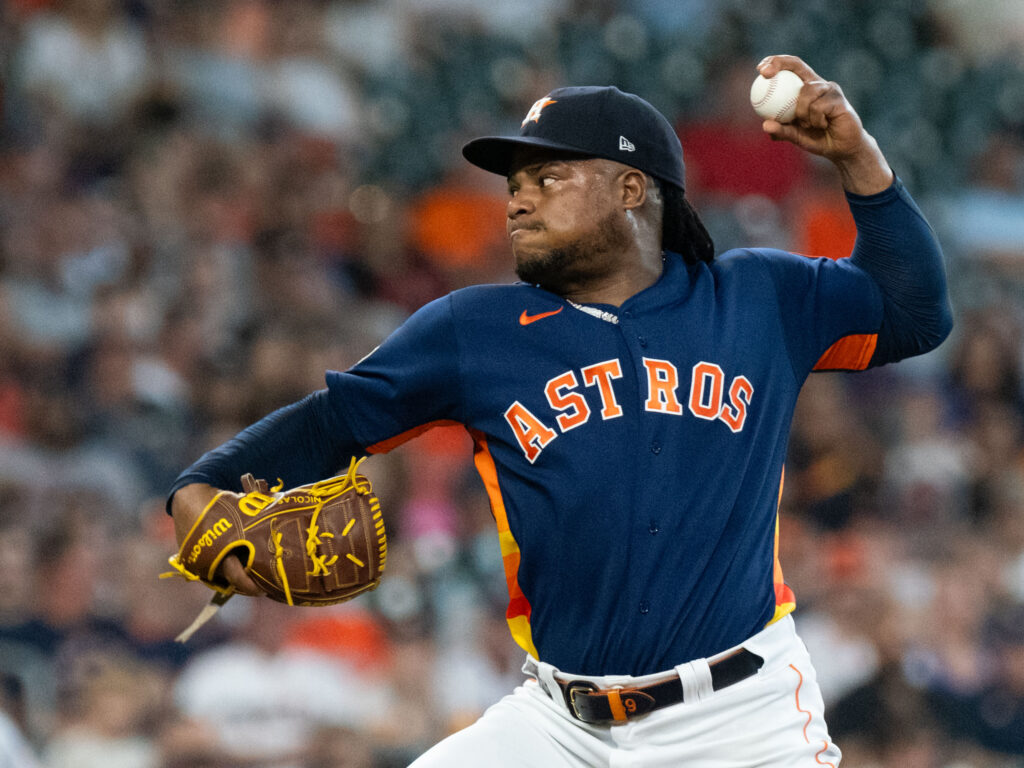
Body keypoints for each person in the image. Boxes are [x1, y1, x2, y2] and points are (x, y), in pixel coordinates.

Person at [168, 55, 952, 766]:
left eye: (549, 178)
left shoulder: (757, 297)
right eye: (515, 185)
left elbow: (916, 311)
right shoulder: (474, 331)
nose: (519, 200)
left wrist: (856, 158)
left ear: (632, 189)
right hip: (558, 725)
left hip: (740, 721)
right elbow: (329, 424)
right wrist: (199, 487)